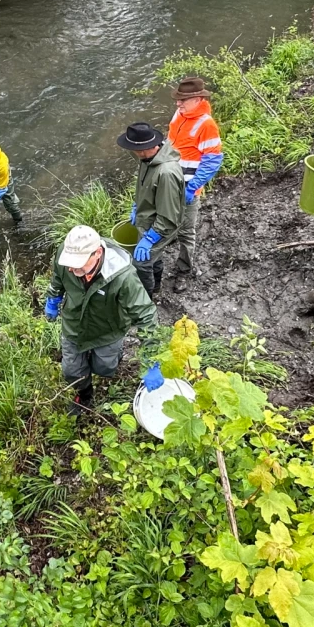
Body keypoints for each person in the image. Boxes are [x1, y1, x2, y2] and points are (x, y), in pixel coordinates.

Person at [45, 225, 165, 415]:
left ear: (98, 253)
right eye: (69, 262)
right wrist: (53, 297)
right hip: (74, 325)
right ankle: (84, 395)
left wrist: (150, 359)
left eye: (78, 263)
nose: (71, 267)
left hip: (108, 328)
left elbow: (145, 314)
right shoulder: (66, 255)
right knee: (72, 371)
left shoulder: (123, 277)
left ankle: (111, 357)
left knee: (105, 368)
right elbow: (58, 277)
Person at [117, 122, 186, 297]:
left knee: (141, 263)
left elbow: (169, 216)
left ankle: (146, 299)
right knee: (153, 259)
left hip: (162, 225)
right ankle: (156, 286)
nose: (134, 152)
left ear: (147, 147)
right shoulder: (148, 159)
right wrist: (136, 206)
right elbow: (146, 189)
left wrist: (150, 238)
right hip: (148, 217)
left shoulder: (166, 173)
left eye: (136, 149)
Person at [167, 77, 223, 276]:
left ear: (198, 99)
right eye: (178, 99)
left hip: (188, 186)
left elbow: (213, 160)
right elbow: (170, 143)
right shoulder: (179, 114)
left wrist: (193, 187)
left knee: (187, 231)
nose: (178, 103)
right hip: (170, 181)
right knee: (168, 218)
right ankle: (171, 234)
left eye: (183, 99)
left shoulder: (207, 125)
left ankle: (184, 270)